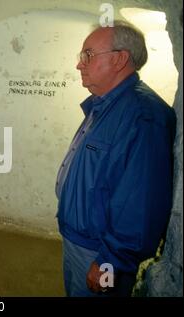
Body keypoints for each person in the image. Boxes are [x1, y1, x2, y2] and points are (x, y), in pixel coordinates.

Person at [55, 20, 176, 297]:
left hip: (100, 252)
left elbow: (141, 201)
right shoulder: (106, 105)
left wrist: (110, 260)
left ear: (120, 59)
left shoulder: (143, 116)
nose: (79, 64)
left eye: (88, 55)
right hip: (79, 241)